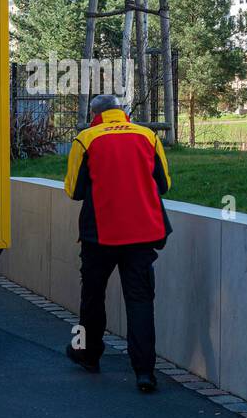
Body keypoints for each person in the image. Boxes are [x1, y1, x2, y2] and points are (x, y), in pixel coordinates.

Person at [62, 93, 172, 393]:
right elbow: (164, 184)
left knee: (93, 296)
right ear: (121, 112)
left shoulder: (86, 139)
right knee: (140, 300)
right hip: (142, 233)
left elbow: (74, 190)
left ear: (95, 114)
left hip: (100, 234)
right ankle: (145, 372)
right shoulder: (147, 135)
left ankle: (88, 354)